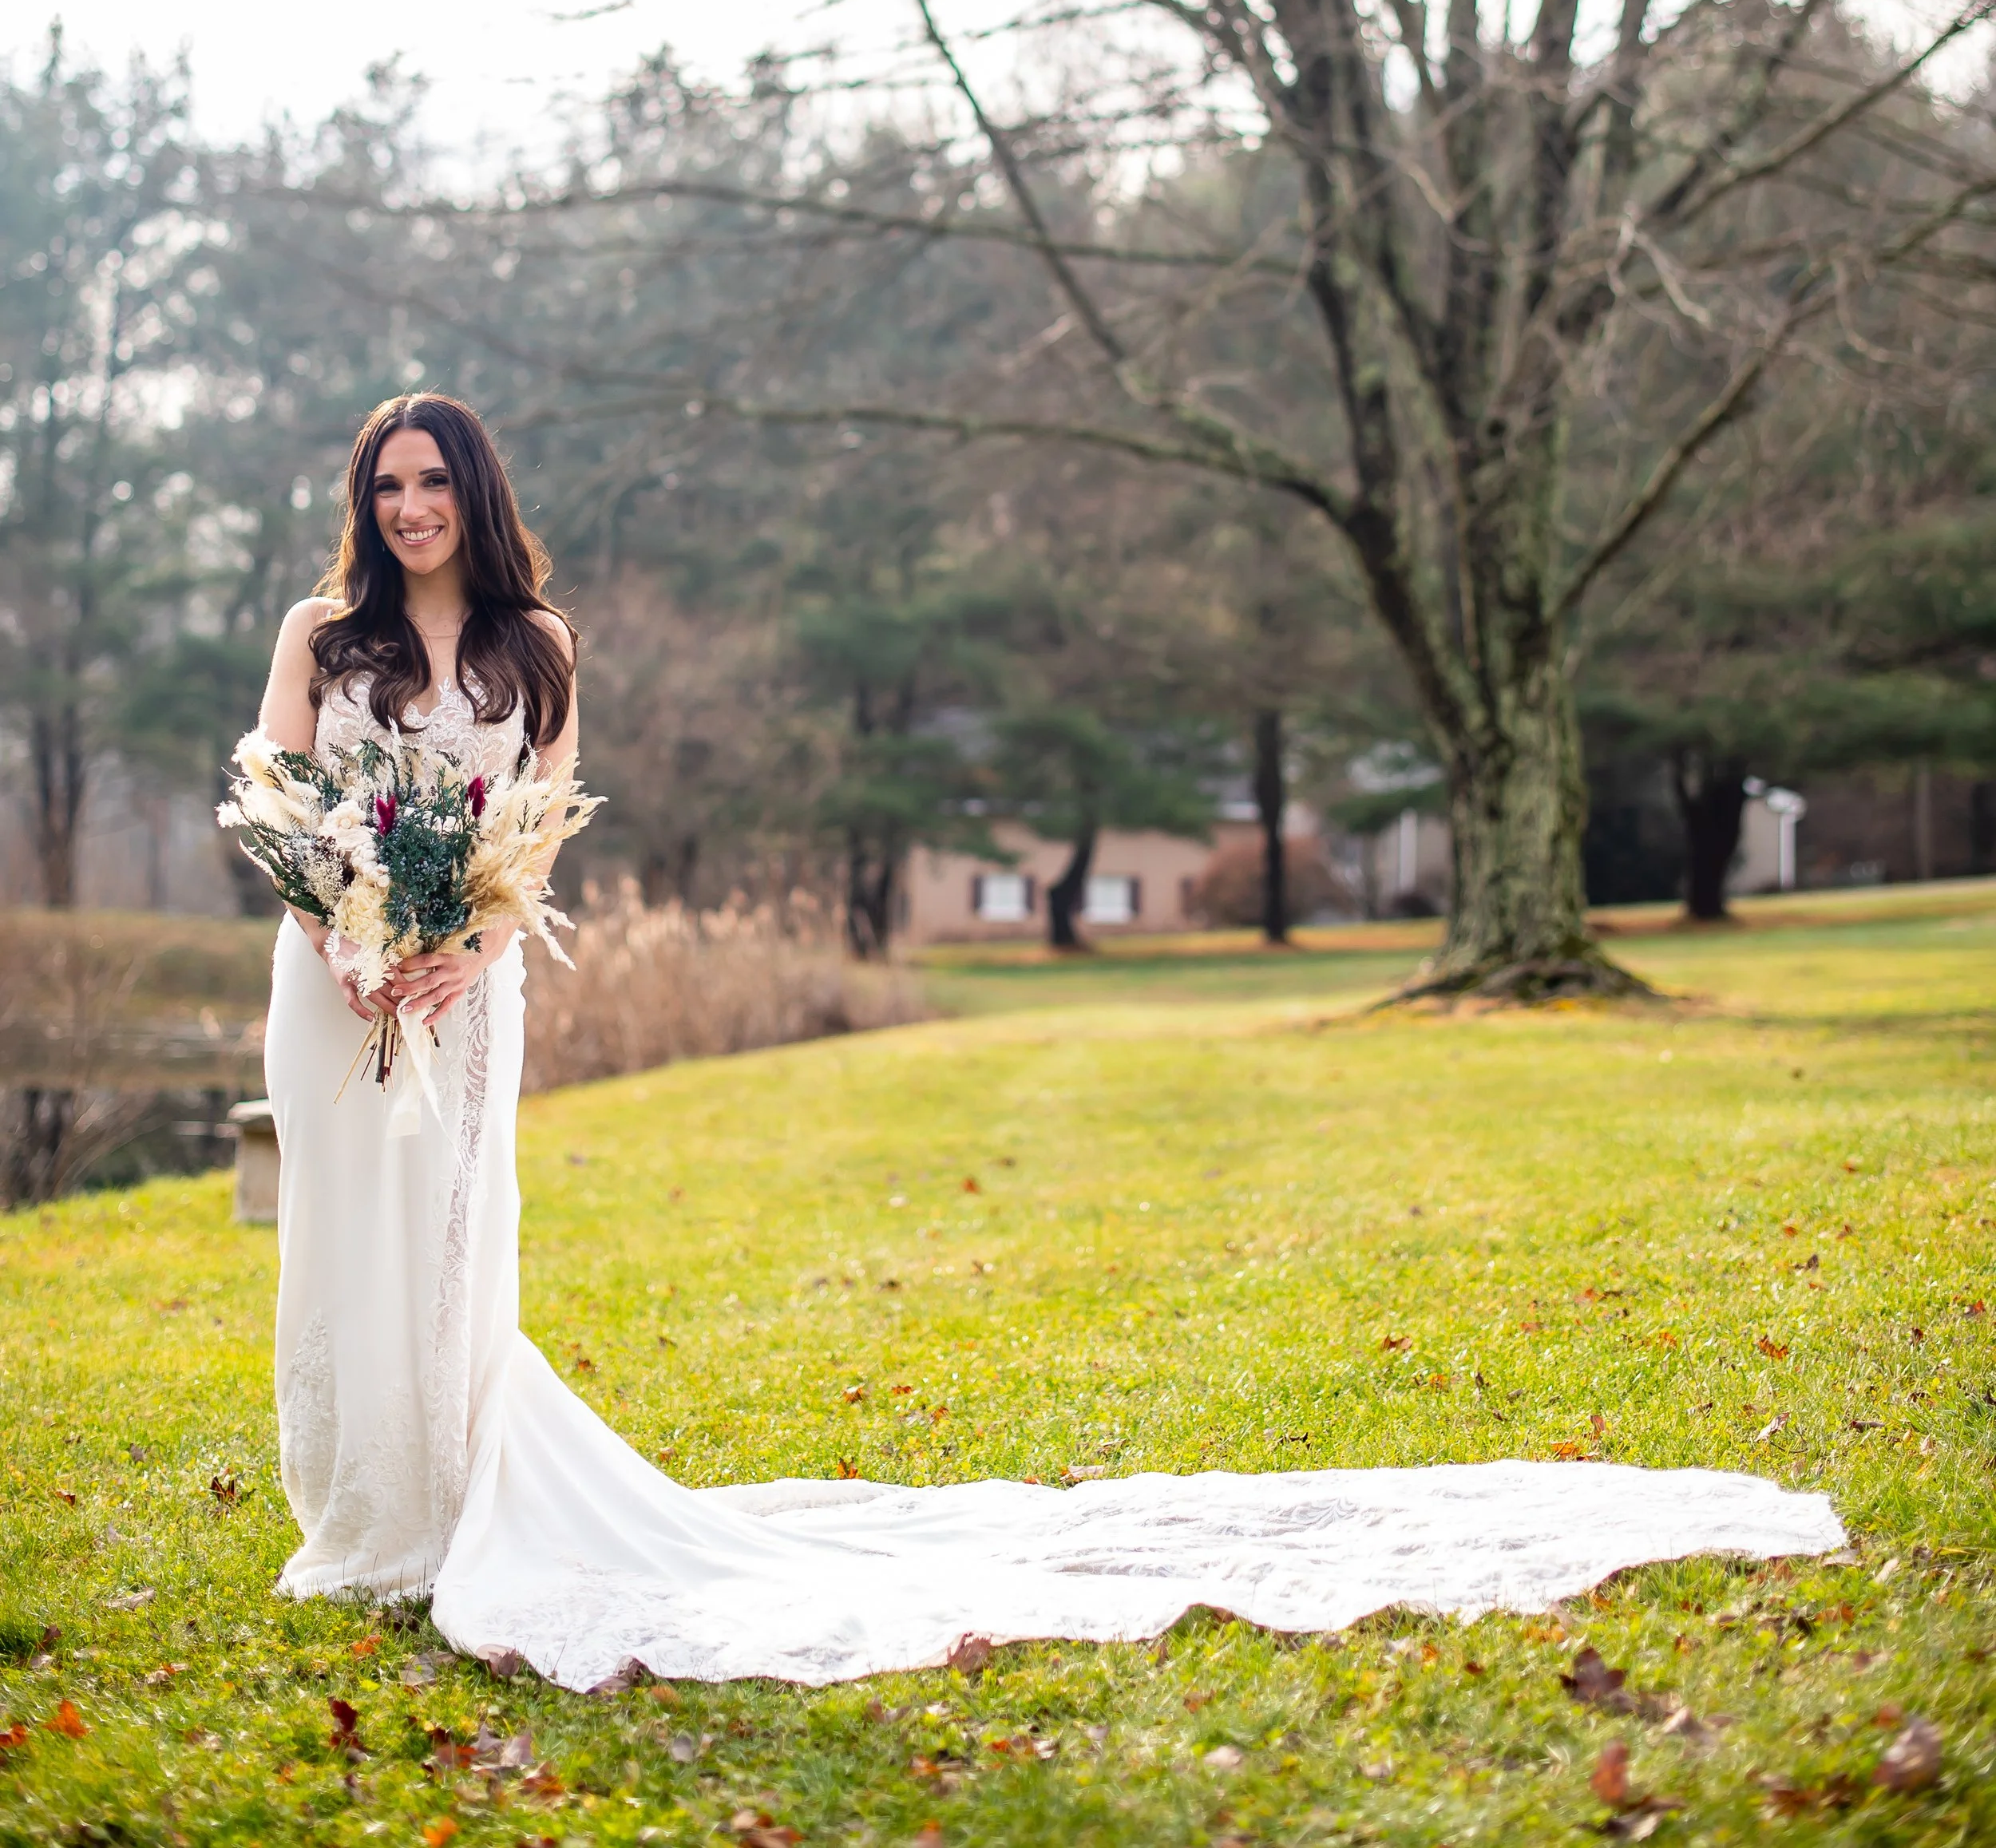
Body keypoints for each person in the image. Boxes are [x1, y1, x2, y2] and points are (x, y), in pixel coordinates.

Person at [259, 392, 1842, 1692]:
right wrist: (345, 928)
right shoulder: (322, 636)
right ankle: (360, 1519)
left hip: (467, 993)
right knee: (344, 1235)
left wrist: (461, 948)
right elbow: (277, 796)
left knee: (452, 1238)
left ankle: (451, 1511)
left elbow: (532, 832)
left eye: (433, 481)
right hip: (331, 985)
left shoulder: (536, 648)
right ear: (365, 501)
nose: (410, 507)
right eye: (386, 485)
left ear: (475, 491)